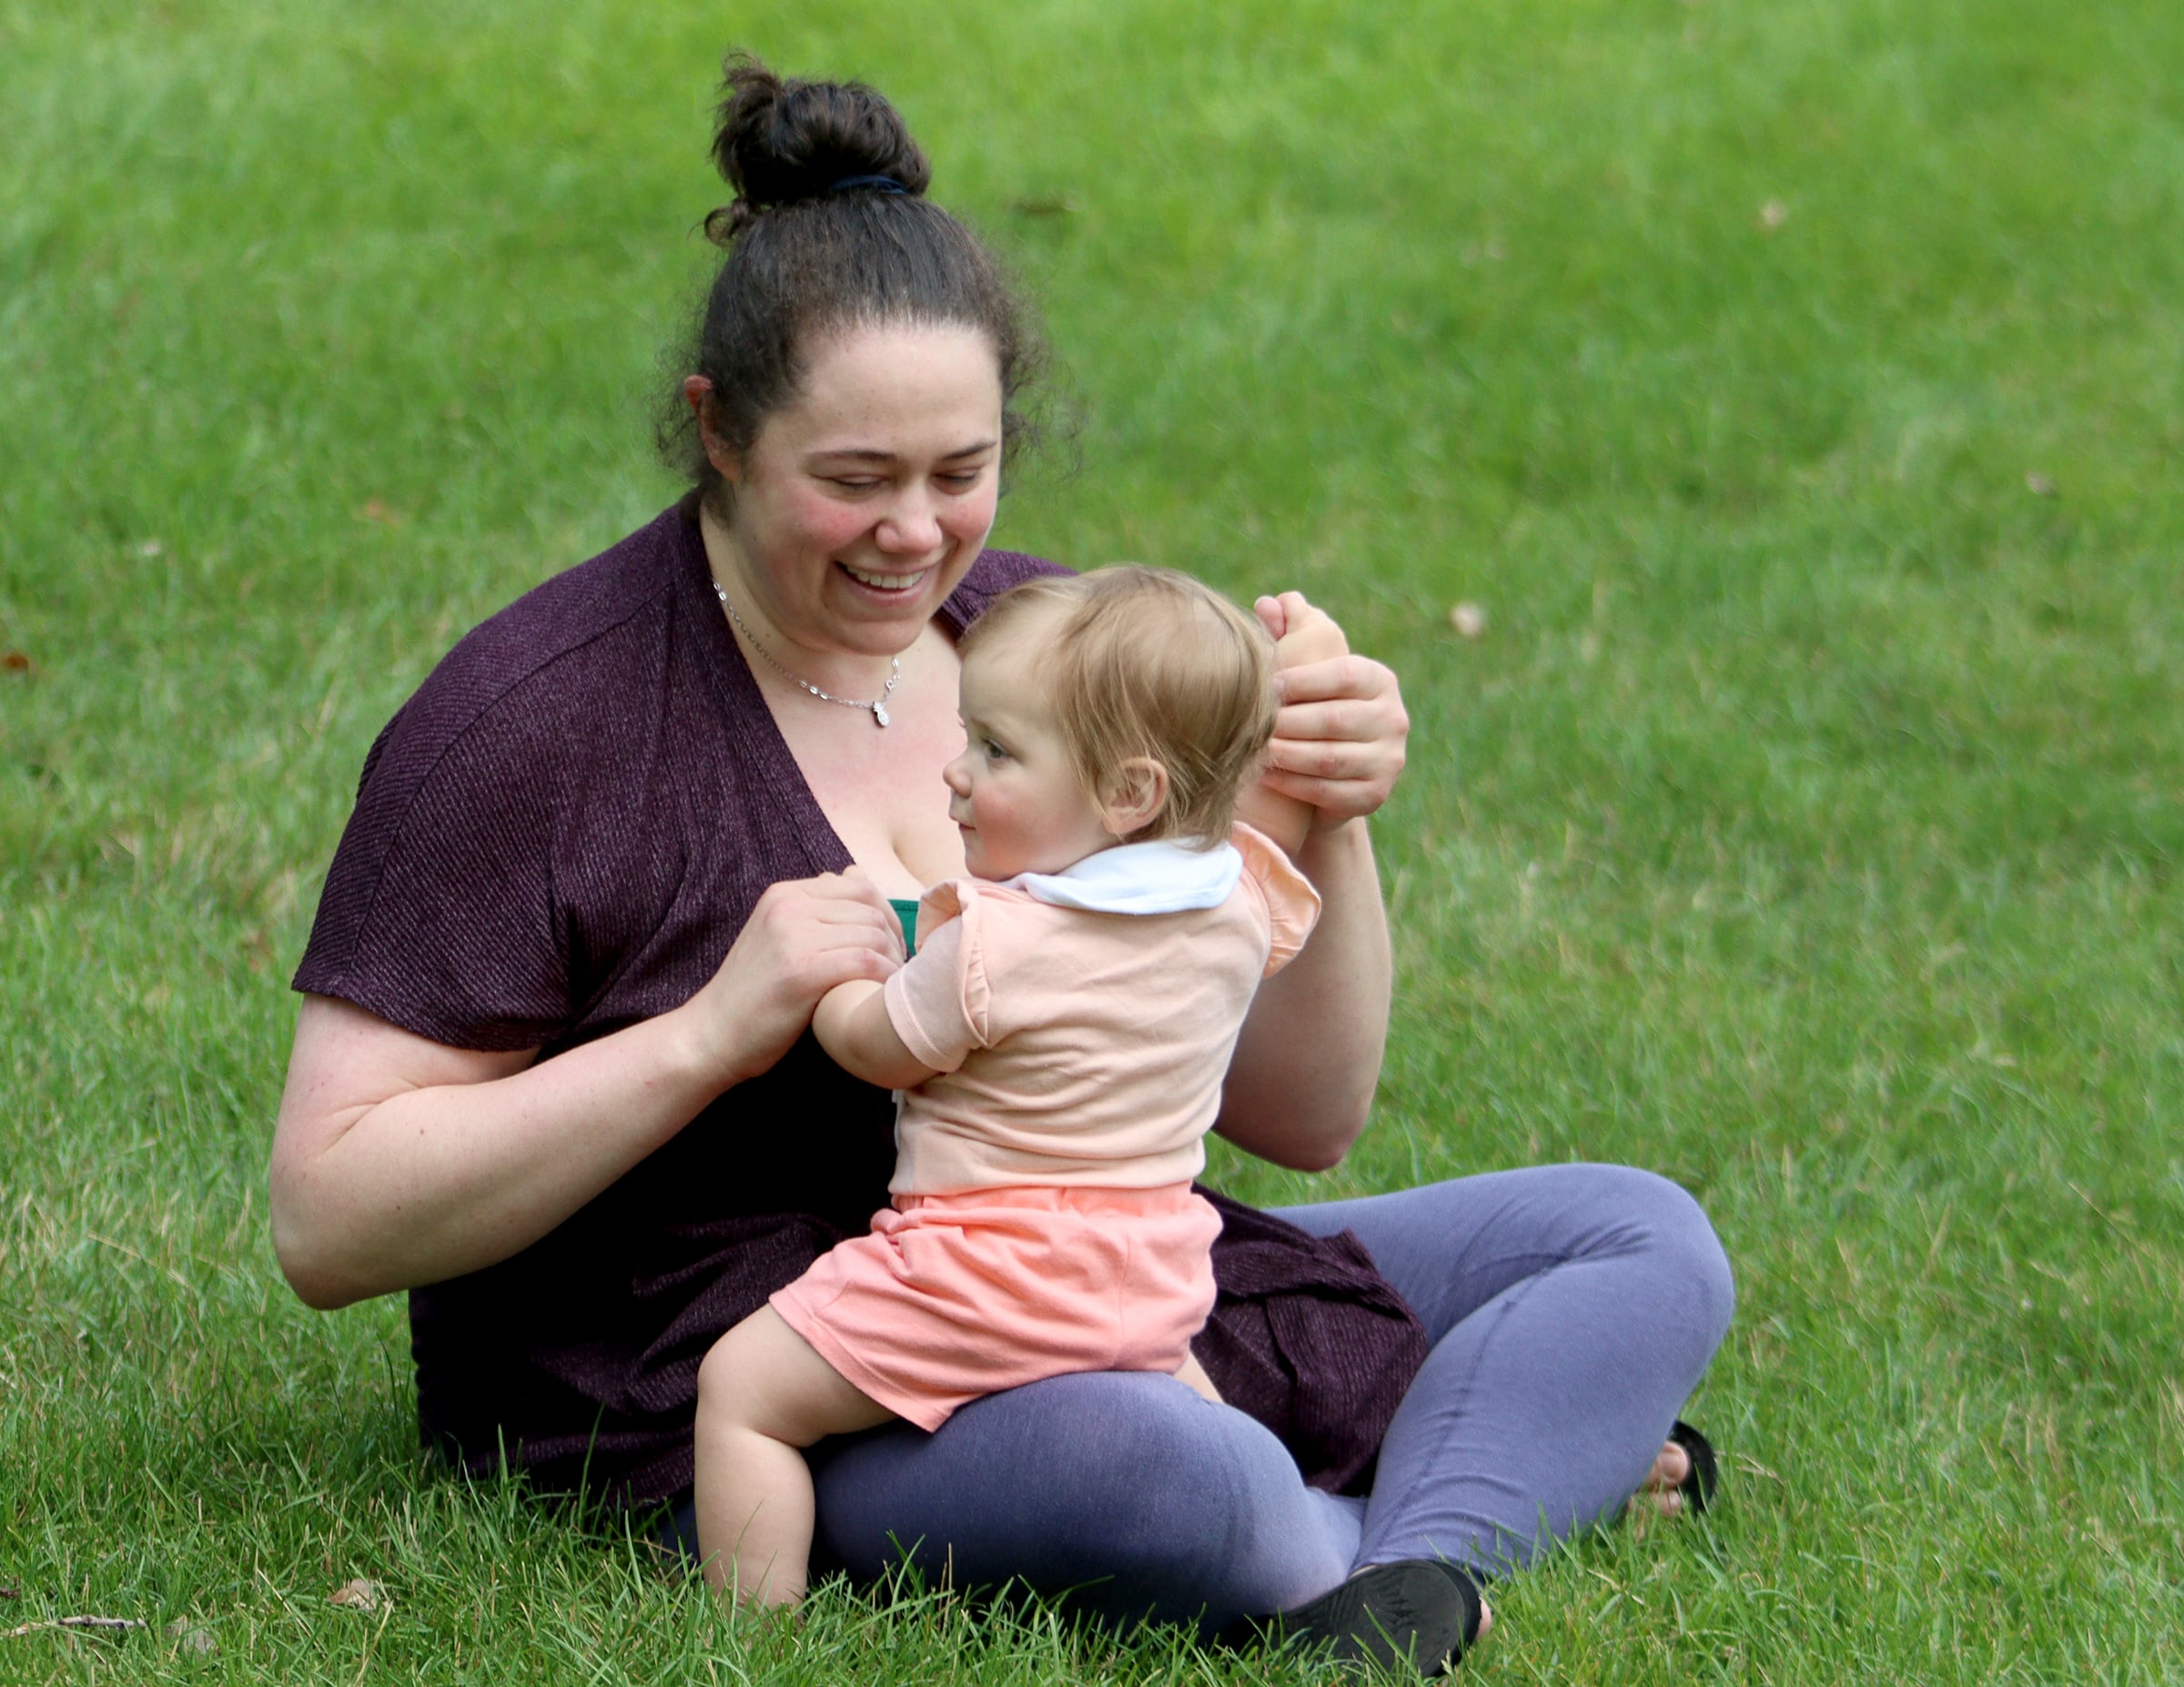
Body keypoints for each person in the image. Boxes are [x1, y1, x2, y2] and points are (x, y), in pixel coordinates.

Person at [268, 53, 1734, 1679]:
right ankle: (1468, 1480)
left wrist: (1327, 814)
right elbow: (329, 1219)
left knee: (1636, 1237)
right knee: (1172, 1469)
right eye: (853, 480)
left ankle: (1413, 1568)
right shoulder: (542, 726)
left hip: (1106, 1276)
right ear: (720, 437)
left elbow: (1303, 1118)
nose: (916, 533)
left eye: (960, 473)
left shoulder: (1047, 650)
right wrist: (701, 1032)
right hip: (760, 1371)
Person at [694, 567, 1324, 1610]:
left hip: (980, 1275)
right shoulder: (1241, 904)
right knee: (1225, 1452)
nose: (954, 774)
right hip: (1152, 1281)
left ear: (1128, 794)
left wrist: (830, 977)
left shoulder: (998, 943)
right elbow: (1273, 836)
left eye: (996, 751)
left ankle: (748, 1633)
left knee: (745, 1392)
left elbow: (877, 1045)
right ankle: (1321, 1581)